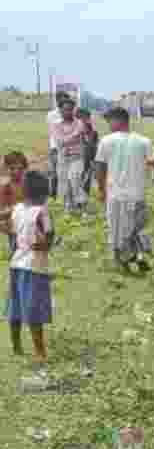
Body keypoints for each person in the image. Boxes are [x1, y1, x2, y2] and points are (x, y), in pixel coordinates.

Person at [94, 106, 154, 272]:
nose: (108, 125)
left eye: (109, 121)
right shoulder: (144, 141)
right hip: (138, 196)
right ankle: (140, 255)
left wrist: (101, 190)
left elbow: (99, 168)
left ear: (118, 120)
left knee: (118, 233)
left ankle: (123, 264)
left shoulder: (106, 141)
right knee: (137, 229)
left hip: (116, 197)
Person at [2, 170, 54, 373]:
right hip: (35, 267)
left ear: (24, 191)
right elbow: (48, 237)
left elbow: (11, 228)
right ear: (44, 193)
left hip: (16, 264)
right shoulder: (42, 211)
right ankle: (40, 352)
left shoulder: (16, 209)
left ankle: (16, 346)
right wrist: (46, 244)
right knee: (34, 313)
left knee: (15, 307)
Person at [51, 99, 84, 214]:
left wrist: (66, 139)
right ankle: (68, 207)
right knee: (65, 183)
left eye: (71, 109)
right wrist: (73, 136)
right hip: (63, 158)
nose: (68, 112)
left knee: (75, 179)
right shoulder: (55, 124)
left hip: (77, 157)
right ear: (60, 110)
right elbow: (60, 141)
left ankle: (80, 203)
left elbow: (65, 139)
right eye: (65, 109)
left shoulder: (79, 123)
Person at [1, 151, 29, 258]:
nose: (16, 171)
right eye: (12, 168)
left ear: (25, 169)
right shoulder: (5, 187)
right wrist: (14, 209)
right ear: (6, 169)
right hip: (13, 226)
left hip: (29, 225)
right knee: (16, 252)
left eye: (20, 169)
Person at [46, 92, 70, 198]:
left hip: (69, 149)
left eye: (66, 100)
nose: (63, 102)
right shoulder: (51, 115)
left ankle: (67, 196)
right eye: (61, 100)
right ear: (57, 101)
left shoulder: (71, 113)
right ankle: (52, 195)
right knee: (54, 173)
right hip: (55, 148)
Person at [76, 108, 100, 204]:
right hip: (87, 152)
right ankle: (82, 194)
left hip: (89, 152)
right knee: (85, 174)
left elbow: (92, 138)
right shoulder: (83, 124)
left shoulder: (88, 124)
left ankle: (83, 195)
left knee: (86, 174)